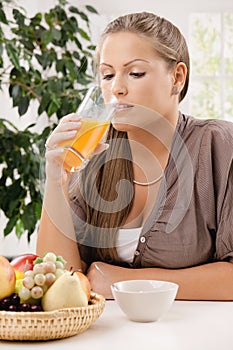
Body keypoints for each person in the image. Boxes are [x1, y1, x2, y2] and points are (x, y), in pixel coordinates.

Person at [37, 11, 233, 300]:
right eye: (107, 74)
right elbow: (57, 278)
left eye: (135, 73)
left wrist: (127, 282)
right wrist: (56, 179)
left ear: (177, 77)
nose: (117, 88)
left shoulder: (218, 145)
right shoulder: (92, 154)